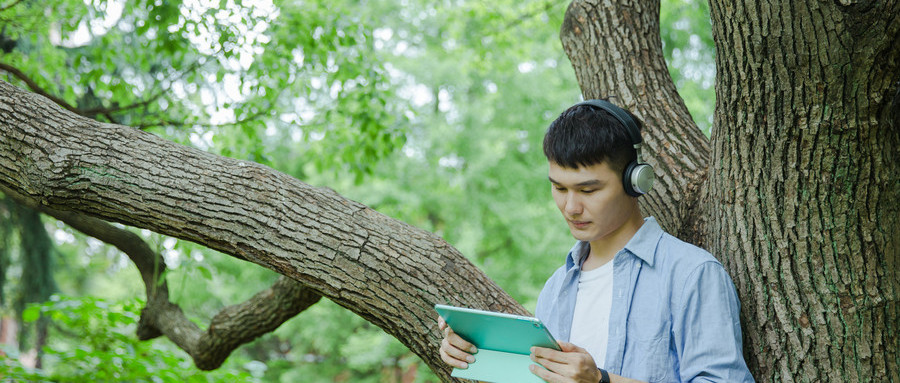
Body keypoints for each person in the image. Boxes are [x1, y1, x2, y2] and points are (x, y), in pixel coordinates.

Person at [438, 99, 754, 382]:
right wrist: (476, 356)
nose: (571, 207)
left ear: (636, 181)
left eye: (588, 190)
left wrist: (601, 381)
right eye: (560, 189)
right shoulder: (555, 287)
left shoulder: (692, 274)